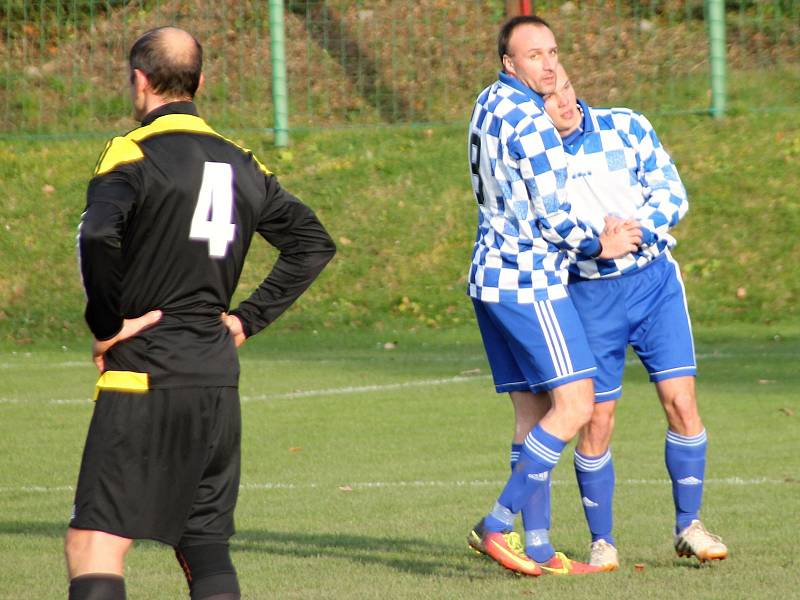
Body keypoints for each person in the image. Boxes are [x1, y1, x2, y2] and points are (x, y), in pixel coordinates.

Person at [65, 26, 336, 600]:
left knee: (95, 543)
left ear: (139, 81)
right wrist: (244, 319)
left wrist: (108, 325)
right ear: (201, 83)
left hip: (144, 371)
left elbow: (97, 235)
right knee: (204, 542)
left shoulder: (131, 151)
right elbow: (312, 243)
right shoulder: (243, 163)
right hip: (215, 377)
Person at [530, 63, 727, 570]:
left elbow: (672, 192)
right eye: (552, 98)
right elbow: (546, 229)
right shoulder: (534, 158)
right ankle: (603, 541)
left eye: (569, 87)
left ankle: (689, 526)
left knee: (682, 402)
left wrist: (635, 230)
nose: (566, 101)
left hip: (654, 283)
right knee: (597, 419)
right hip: (589, 296)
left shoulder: (627, 125)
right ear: (534, 109)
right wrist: (601, 243)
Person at [465, 15, 641, 576]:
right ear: (509, 63)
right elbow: (554, 217)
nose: (548, 65)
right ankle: (496, 525)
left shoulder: (487, 102)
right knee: (577, 404)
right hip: (528, 280)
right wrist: (602, 246)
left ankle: (538, 547)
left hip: (488, 274)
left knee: (532, 412)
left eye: (553, 53)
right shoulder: (532, 123)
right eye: (534, 55)